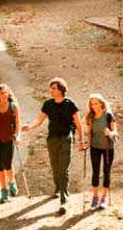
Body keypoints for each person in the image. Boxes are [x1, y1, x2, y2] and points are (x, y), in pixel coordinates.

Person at [21, 77, 85, 215]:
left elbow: (79, 124)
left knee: (63, 169)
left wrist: (81, 141)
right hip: (52, 139)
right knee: (55, 168)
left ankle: (64, 200)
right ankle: (58, 187)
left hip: (66, 139)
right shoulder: (48, 104)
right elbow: (39, 121)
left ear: (61, 90)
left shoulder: (70, 104)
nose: (51, 90)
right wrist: (29, 127)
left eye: (54, 88)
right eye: (51, 88)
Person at [83, 93, 118, 210]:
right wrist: (87, 143)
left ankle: (103, 198)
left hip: (108, 147)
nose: (94, 106)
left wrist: (110, 133)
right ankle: (95, 196)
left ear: (101, 104)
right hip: (95, 147)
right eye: (92, 104)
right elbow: (89, 133)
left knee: (106, 172)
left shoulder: (108, 116)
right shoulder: (90, 117)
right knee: (95, 172)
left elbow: (115, 132)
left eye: (96, 104)